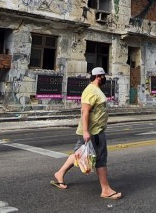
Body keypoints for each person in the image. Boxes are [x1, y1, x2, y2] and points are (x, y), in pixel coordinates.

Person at [51, 67, 122, 200]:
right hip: (93, 132)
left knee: (79, 153)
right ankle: (105, 190)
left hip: (95, 130)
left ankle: (59, 173)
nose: (105, 78)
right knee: (100, 159)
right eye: (103, 76)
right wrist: (85, 131)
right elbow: (85, 111)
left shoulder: (96, 90)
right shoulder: (90, 90)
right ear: (99, 76)